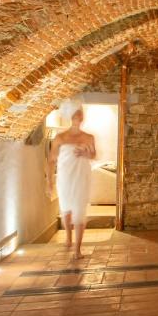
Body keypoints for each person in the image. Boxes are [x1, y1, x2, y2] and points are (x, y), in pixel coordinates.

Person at [50, 98, 96, 258]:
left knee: (79, 211)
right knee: (66, 211)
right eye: (76, 115)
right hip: (65, 177)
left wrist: (87, 154)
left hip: (81, 177)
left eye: (80, 115)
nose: (78, 118)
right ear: (70, 117)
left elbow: (93, 154)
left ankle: (77, 249)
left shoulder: (89, 137)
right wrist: (49, 182)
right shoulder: (60, 137)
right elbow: (51, 160)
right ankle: (68, 239)